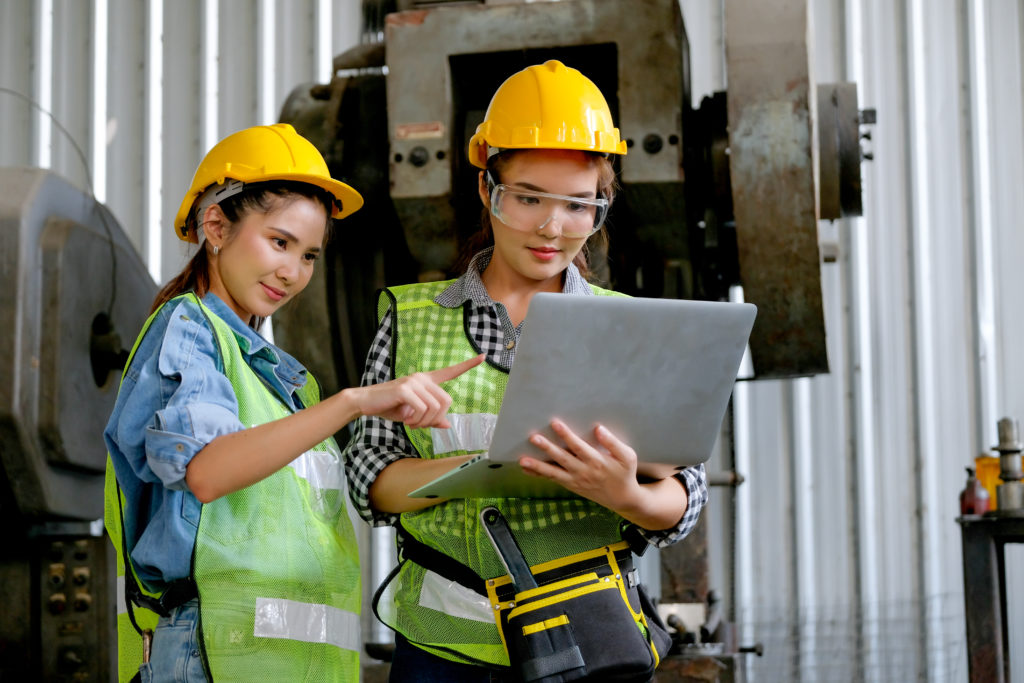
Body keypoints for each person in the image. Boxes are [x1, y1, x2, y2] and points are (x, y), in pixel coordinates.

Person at [343, 61, 709, 682]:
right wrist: (480, 472)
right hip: (444, 646)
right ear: (489, 191)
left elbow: (685, 488)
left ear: (602, 206)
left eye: (577, 205)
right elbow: (369, 480)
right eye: (528, 198)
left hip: (589, 641)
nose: (551, 226)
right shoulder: (409, 319)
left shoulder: (631, 330)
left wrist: (628, 496)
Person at [103, 123, 483, 683]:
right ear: (216, 225)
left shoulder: (284, 383)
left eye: (309, 255)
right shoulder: (191, 329)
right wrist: (354, 402)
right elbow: (206, 473)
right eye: (279, 242)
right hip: (210, 651)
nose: (293, 272)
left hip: (283, 662)